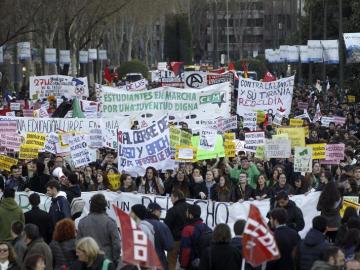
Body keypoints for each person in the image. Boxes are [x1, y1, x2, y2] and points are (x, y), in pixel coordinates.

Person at [77, 193, 120, 265]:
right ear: (104, 206)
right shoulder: (110, 222)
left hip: (88, 260)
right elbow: (116, 244)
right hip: (106, 261)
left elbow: (78, 243)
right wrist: (115, 260)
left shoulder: (82, 222)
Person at [179, 204, 212, 270]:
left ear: (191, 215)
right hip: (205, 263)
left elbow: (186, 250)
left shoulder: (187, 229)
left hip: (192, 264)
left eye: (187, 212)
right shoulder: (207, 227)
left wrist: (183, 266)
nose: (186, 213)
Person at [164, 190, 189, 270]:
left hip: (175, 240)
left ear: (176, 198)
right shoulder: (190, 207)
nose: (171, 200)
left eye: (172, 197)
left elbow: (166, 225)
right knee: (187, 262)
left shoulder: (173, 210)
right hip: (188, 239)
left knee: (171, 262)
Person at [146, 202, 175, 270]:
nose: (160, 214)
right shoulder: (161, 226)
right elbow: (169, 246)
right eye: (160, 211)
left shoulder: (139, 224)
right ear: (155, 211)